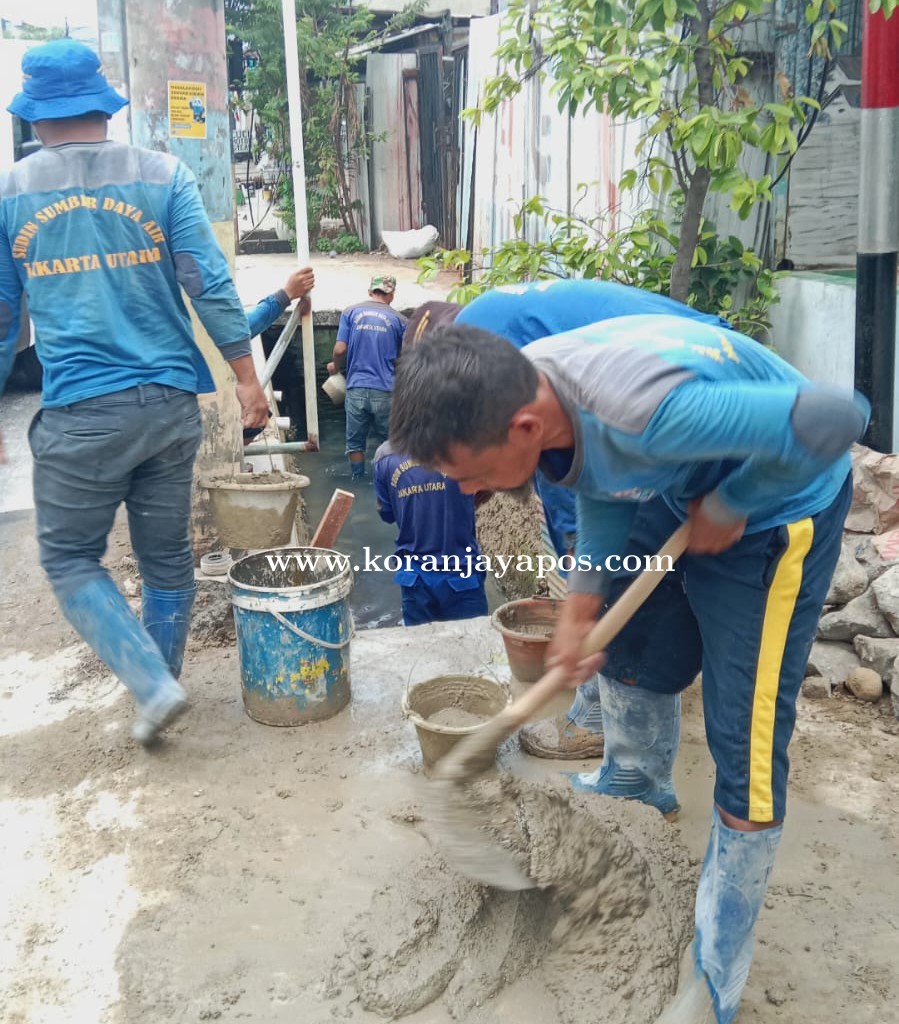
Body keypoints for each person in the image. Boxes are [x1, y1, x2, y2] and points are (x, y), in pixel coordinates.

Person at [389, 315, 868, 1024]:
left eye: (471, 474)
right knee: (631, 634)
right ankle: (637, 780)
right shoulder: (536, 383)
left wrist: (733, 503)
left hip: (777, 506)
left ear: (522, 426)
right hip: (679, 487)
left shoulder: (650, 412)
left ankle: (716, 977)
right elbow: (601, 479)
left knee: (746, 738)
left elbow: (838, 413)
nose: (466, 493)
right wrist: (581, 605)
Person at [0, 39, 269, 744]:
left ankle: (152, 687)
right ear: (104, 107)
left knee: (66, 557)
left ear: (34, 115)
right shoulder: (164, 174)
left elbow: (2, 320)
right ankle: (160, 704)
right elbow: (206, 283)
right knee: (167, 562)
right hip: (170, 408)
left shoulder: (9, 195)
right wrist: (246, 379)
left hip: (82, 416)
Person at [403, 279, 729, 759]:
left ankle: (619, 748)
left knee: (625, 595)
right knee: (604, 587)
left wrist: (580, 553)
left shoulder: (486, 364)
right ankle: (600, 709)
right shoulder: (493, 324)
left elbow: (565, 471)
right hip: (691, 376)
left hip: (696, 396)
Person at [373, 441, 487, 625]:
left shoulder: (385, 455)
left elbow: (387, 514)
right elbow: (484, 491)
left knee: (421, 650)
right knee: (473, 648)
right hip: (462, 576)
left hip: (415, 579)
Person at [327, 274, 405, 480]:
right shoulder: (400, 320)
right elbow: (406, 359)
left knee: (354, 444)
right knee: (391, 444)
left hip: (356, 388)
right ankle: (390, 482)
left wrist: (335, 367)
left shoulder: (350, 313)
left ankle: (358, 479)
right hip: (386, 390)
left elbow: (340, 348)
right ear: (392, 295)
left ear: (370, 291)